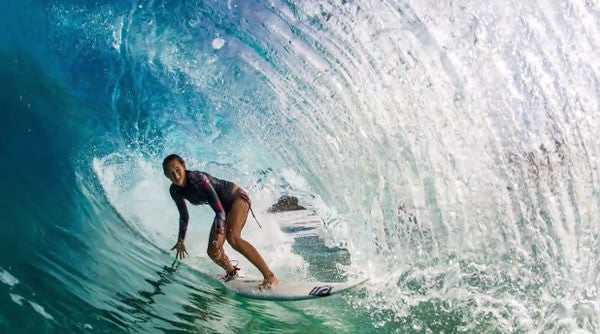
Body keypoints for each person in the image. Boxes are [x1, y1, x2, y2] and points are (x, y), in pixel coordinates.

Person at [162, 154, 278, 289]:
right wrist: (181, 240)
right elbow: (184, 216)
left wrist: (219, 233)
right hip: (221, 208)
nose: (176, 176)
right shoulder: (175, 190)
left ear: (184, 166)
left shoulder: (198, 179)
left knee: (232, 238)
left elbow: (220, 212)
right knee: (213, 250)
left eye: (178, 170)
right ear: (166, 175)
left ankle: (269, 276)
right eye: (171, 173)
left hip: (236, 198)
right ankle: (232, 273)